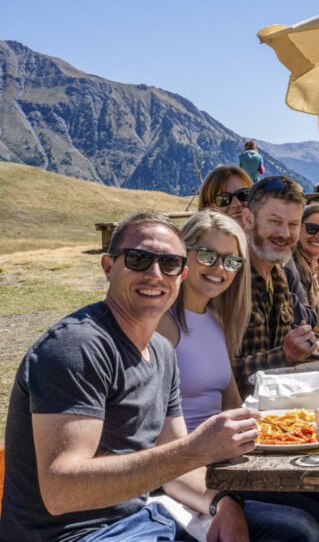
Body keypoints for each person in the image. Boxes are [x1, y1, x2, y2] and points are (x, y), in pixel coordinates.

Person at [0, 211, 263, 541]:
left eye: (168, 264)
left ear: (181, 275)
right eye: (139, 259)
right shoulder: (76, 346)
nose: (155, 274)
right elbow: (60, 491)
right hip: (76, 534)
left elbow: (176, 472)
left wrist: (221, 504)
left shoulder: (162, 352)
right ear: (108, 267)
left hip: (143, 518)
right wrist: (195, 450)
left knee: (291, 530)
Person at [156, 210, 319, 541]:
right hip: (188, 473)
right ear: (184, 255)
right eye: (208, 255)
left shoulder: (217, 321)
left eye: (232, 262)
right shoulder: (165, 325)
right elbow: (159, 440)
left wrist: (301, 426)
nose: (220, 269)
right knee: (301, 528)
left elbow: (234, 409)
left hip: (222, 462)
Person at [236, 175, 318, 397]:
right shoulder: (229, 280)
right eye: (274, 221)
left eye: (293, 225)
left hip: (278, 412)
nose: (284, 234)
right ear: (248, 219)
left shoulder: (279, 277)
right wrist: (286, 354)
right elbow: (218, 377)